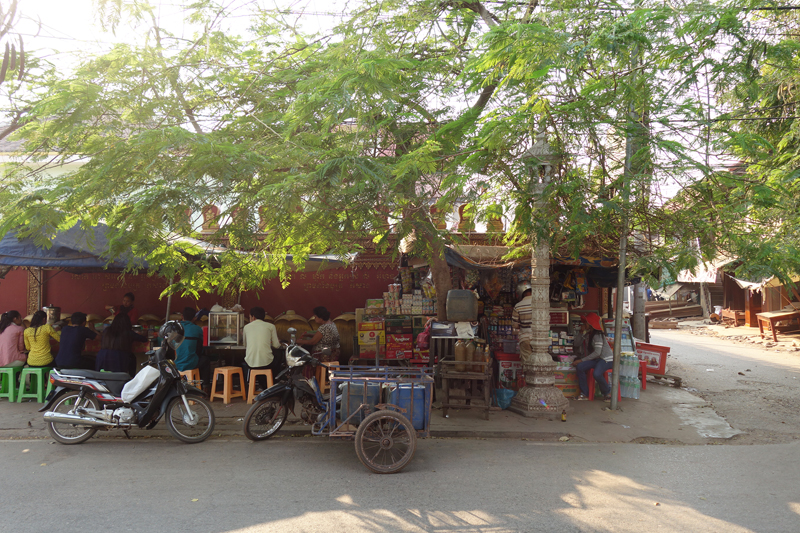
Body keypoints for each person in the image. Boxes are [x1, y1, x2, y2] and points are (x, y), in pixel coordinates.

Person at [572, 313, 614, 401]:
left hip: (606, 359)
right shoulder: (588, 334)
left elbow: (597, 353)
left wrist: (581, 360)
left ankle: (607, 393)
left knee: (597, 374)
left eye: (585, 323)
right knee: (580, 367)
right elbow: (576, 344)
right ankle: (585, 393)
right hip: (597, 360)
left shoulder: (598, 335)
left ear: (590, 324)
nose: (584, 325)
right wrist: (580, 333)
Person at [242, 306, 282, 390]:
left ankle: (262, 386)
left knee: (259, 362)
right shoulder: (271, 326)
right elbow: (276, 345)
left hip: (250, 363)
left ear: (253, 317)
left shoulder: (246, 327)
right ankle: (273, 384)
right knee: (278, 356)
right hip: (267, 363)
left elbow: (245, 345)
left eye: (249, 317)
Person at [176, 307, 211, 392]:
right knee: (205, 360)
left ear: (181, 316)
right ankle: (205, 387)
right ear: (194, 318)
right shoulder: (197, 329)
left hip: (175, 364)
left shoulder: (175, 328)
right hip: (191, 363)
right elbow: (202, 344)